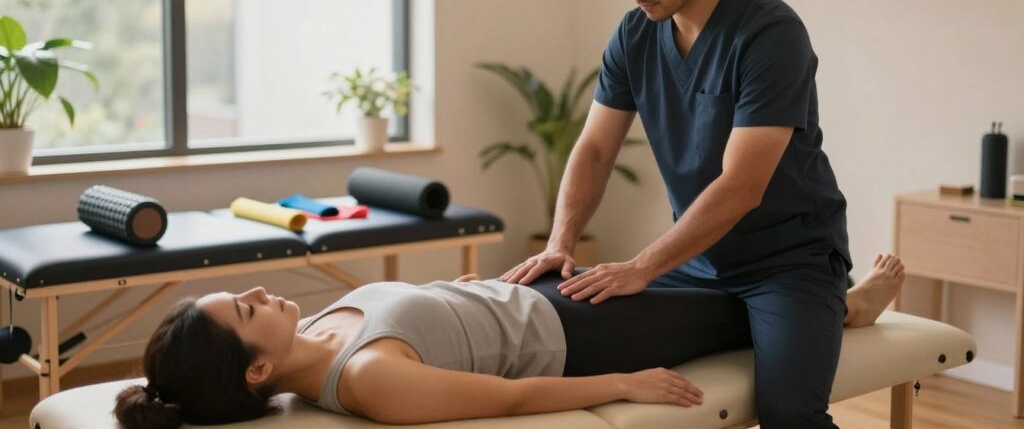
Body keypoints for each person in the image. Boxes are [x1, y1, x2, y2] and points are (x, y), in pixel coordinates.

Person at [501, 0, 903, 428]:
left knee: (789, 413)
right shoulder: (634, 34)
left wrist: (642, 266)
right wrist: (560, 242)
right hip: (697, 262)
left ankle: (833, 301)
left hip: (787, 261)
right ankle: (845, 309)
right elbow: (595, 149)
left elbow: (742, 186)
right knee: (565, 312)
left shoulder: (769, 33)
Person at [114, 258, 903, 428]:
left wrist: (487, 280)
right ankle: (847, 306)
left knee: (710, 274)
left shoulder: (314, 329)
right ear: (258, 366)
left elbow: (436, 313)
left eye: (242, 293)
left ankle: (834, 298)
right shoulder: (367, 380)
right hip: (581, 337)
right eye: (246, 309)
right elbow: (515, 393)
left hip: (538, 294)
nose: (257, 293)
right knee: (742, 307)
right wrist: (624, 380)